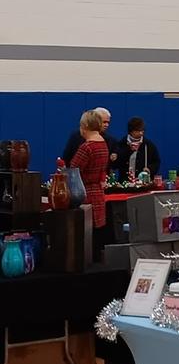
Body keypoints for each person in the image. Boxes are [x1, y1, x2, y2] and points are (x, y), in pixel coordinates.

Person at [69, 110, 110, 261]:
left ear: (85, 126)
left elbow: (73, 170)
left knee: (85, 236)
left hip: (84, 194)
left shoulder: (86, 147)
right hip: (98, 193)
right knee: (96, 234)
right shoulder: (103, 144)